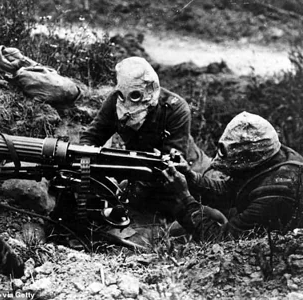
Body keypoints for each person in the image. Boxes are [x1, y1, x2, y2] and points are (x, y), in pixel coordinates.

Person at [79, 56, 210, 216]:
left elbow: (171, 168)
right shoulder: (115, 100)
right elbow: (92, 136)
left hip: (187, 173)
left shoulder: (175, 109)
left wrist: (129, 189)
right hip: (142, 171)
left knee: (194, 217)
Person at [161, 111, 303, 242]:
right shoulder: (270, 156)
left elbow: (221, 240)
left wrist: (185, 199)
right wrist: (190, 178)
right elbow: (229, 191)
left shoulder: (277, 193)